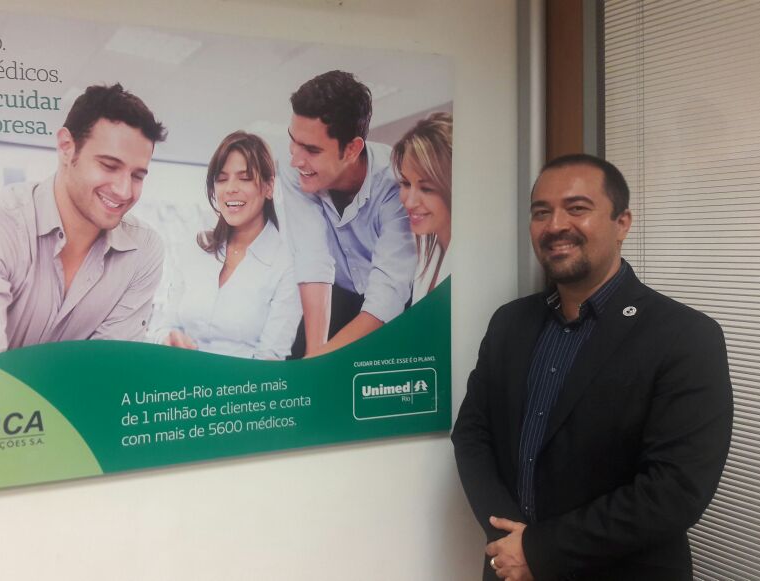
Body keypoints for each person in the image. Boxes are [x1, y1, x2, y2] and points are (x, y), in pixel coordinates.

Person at [451, 154, 733, 581]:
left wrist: (538, 551)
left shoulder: (686, 336)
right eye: (540, 212)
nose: (555, 225)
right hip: (509, 567)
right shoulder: (510, 322)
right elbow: (473, 435)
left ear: (622, 223)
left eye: (577, 208)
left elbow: (675, 490)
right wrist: (510, 542)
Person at [0, 83, 167, 358]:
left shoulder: (142, 251)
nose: (124, 191)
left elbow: (108, 368)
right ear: (66, 147)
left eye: (137, 176)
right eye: (109, 166)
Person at [280, 70, 416, 358]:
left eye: (312, 150)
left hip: (391, 298)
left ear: (352, 149)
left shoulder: (397, 180)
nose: (296, 159)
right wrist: (314, 355)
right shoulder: (296, 170)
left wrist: (320, 360)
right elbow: (312, 257)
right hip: (335, 292)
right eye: (293, 141)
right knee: (301, 359)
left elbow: (387, 294)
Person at [153, 131, 300, 359]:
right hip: (179, 375)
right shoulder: (195, 247)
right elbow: (163, 327)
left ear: (269, 186)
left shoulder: (287, 264)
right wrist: (168, 339)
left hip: (243, 380)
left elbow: (271, 357)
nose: (230, 188)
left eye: (245, 178)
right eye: (221, 179)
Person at [391, 112, 452, 303]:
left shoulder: (476, 263)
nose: (409, 202)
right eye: (406, 183)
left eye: (426, 189)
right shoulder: (424, 253)